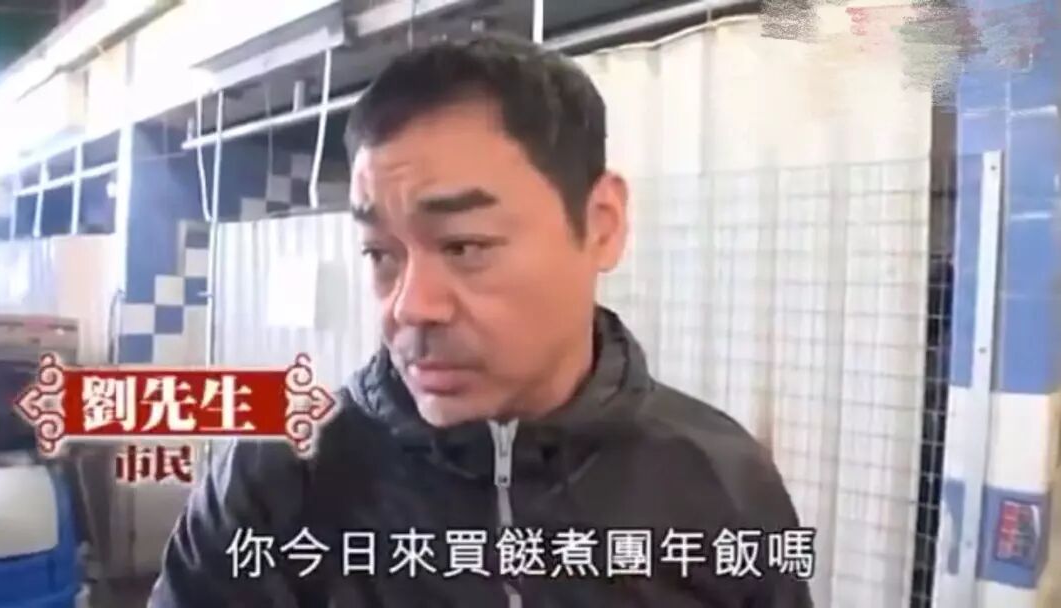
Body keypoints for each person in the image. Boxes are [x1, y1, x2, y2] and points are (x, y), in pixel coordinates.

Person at [149, 33, 813, 608]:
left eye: (465, 246)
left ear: (602, 225)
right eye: (380, 254)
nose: (409, 306)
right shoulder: (276, 485)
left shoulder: (722, 482)